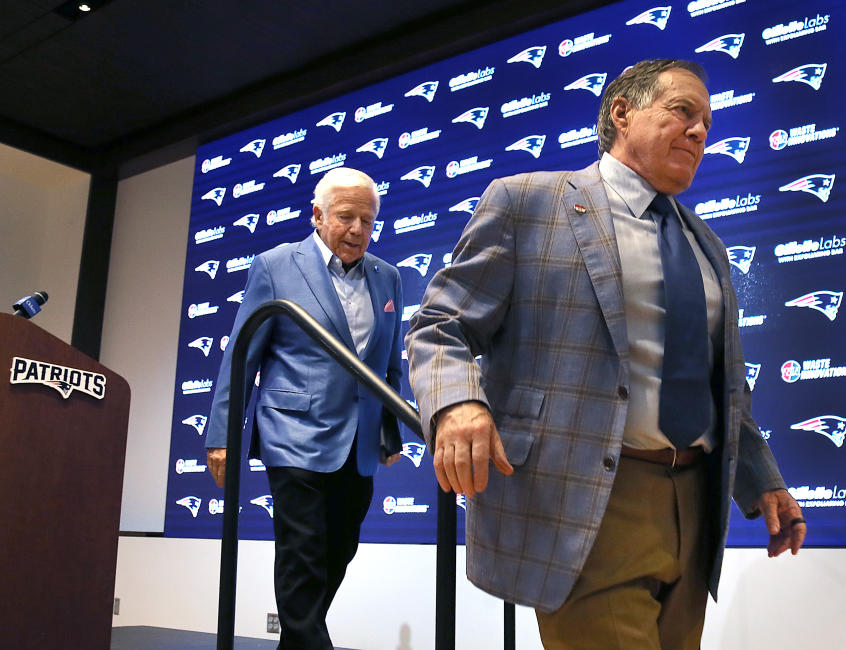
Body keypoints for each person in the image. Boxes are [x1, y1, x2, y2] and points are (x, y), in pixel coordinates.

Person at [405, 59, 805, 649]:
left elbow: (721, 386)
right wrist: (459, 404)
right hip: (582, 504)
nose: (701, 132)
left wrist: (761, 479)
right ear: (621, 112)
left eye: (708, 124)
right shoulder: (526, 203)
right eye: (682, 112)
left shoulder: (708, 244)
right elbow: (440, 324)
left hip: (693, 511)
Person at [205, 167, 403, 650]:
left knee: (340, 549)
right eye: (346, 217)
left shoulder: (388, 277)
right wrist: (221, 435)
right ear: (317, 215)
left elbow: (388, 362)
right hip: (292, 434)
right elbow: (242, 354)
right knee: (304, 554)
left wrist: (390, 431)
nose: (358, 229)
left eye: (367, 220)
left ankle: (296, 642)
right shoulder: (274, 266)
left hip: (358, 441)